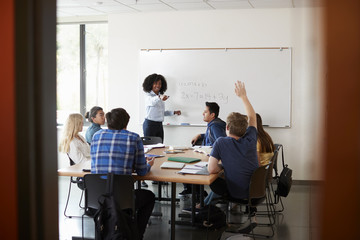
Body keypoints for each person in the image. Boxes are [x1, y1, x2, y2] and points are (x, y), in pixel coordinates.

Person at [91, 108, 155, 240]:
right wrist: (150, 164)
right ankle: (136, 235)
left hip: (98, 198)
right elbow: (142, 171)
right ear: (126, 123)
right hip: (122, 199)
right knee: (149, 196)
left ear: (108, 122)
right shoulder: (133, 137)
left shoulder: (96, 136)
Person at [205, 81, 259, 233]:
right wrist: (243, 96)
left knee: (214, 182)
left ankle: (208, 210)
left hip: (236, 193)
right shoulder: (250, 139)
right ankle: (251, 214)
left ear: (227, 127)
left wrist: (224, 166)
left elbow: (212, 168)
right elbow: (252, 116)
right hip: (255, 191)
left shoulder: (221, 142)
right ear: (245, 129)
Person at [180, 102, 226, 197]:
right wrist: (200, 135)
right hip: (206, 154)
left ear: (212, 115)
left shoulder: (215, 126)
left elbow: (220, 142)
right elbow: (212, 136)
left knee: (188, 165)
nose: (203, 113)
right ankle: (192, 190)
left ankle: (197, 193)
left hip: (209, 157)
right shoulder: (213, 124)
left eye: (205, 112)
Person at [142, 73, 181, 142]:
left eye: (160, 83)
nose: (158, 85)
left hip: (159, 125)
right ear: (150, 84)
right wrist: (159, 97)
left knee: (159, 146)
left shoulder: (160, 96)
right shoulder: (148, 96)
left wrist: (174, 112)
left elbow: (161, 113)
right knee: (149, 147)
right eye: (155, 83)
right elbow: (151, 102)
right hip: (150, 124)